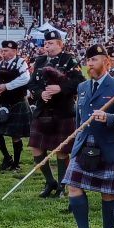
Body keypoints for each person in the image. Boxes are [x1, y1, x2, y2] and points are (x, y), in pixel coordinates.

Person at [61, 44, 114, 228]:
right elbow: (79, 116)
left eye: (94, 60)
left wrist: (109, 117)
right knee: (73, 186)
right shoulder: (82, 87)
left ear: (106, 62)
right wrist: (77, 134)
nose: (90, 64)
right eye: (88, 60)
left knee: (108, 192)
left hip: (109, 146)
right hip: (84, 143)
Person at [27, 30, 84, 198]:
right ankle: (49, 181)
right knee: (36, 147)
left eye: (51, 43)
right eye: (46, 43)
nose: (47, 46)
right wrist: (40, 94)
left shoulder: (69, 60)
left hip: (63, 110)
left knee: (61, 149)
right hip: (42, 109)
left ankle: (61, 185)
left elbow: (80, 82)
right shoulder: (40, 61)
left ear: (60, 44)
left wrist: (61, 88)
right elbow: (32, 84)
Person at [0, 40, 32, 172]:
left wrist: (7, 86)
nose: (3, 53)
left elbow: (25, 78)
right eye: (2, 50)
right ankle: (7, 158)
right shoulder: (0, 64)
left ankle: (16, 164)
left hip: (17, 103)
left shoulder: (21, 63)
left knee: (15, 135)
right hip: (3, 103)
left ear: (14, 51)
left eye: (6, 51)